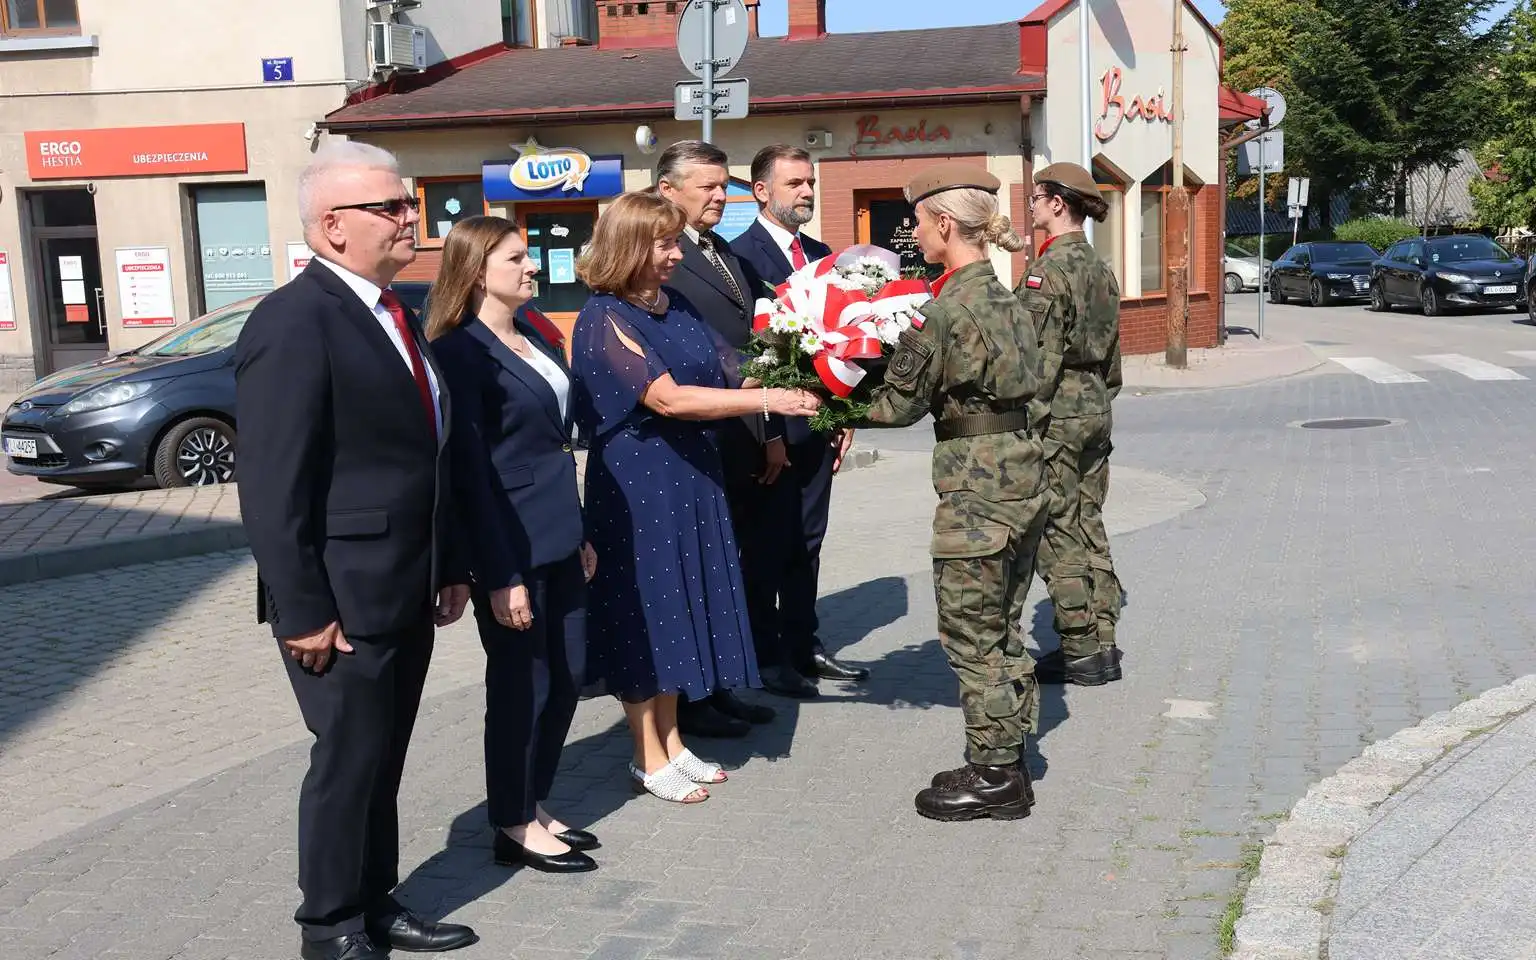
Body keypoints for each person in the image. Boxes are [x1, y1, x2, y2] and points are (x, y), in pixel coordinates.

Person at [234, 141, 477, 960]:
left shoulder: (392, 308)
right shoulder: (295, 319)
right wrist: (302, 609)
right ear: (333, 226)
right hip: (338, 599)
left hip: (404, 583)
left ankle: (377, 900)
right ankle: (330, 925)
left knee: (383, 756)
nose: (410, 217)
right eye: (392, 207)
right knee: (347, 762)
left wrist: (447, 565)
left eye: (408, 203)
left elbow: (422, 452)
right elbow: (273, 485)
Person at [569, 190, 821, 803]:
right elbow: (668, 399)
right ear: (629, 246)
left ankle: (674, 741)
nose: (676, 254)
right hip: (639, 486)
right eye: (664, 243)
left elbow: (728, 369)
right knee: (645, 614)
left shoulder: (672, 302)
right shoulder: (603, 317)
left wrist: (807, 355)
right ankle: (645, 754)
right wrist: (768, 402)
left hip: (692, 476)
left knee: (681, 610)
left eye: (676, 241)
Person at [852, 163, 1047, 822]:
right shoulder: (1010, 299)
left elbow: (896, 409)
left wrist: (822, 394)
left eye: (917, 220)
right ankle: (1009, 751)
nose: (912, 230)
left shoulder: (946, 309)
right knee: (1005, 626)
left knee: (972, 636)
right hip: (1022, 477)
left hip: (976, 493)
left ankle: (994, 777)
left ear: (943, 224)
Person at [426, 215, 601, 874]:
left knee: (569, 676)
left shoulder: (529, 334)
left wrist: (580, 530)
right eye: (516, 258)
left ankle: (535, 798)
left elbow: (555, 445)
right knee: (522, 687)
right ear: (475, 272)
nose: (532, 267)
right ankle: (513, 820)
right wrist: (500, 574)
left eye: (528, 257)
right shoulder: (458, 352)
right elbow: (472, 475)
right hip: (512, 546)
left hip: (560, 534)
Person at [653, 139, 783, 737]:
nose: (719, 195)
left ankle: (720, 685)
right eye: (706, 186)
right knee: (693, 576)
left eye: (722, 184)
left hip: (743, 430)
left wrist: (771, 430)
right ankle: (690, 700)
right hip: (693, 438)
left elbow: (757, 343)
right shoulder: (660, 259)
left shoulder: (724, 251)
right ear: (667, 191)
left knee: (726, 569)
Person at [732, 143, 870, 697]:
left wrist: (843, 415)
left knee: (809, 540)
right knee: (768, 543)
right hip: (770, 430)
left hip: (818, 424)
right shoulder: (741, 257)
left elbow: (842, 341)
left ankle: (804, 644)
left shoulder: (821, 254)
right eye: (794, 184)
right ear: (762, 191)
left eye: (809, 182)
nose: (807, 192)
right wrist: (767, 431)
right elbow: (748, 352)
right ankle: (766, 656)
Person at [1015, 162, 1124, 687]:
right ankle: (1103, 641)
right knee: (1089, 522)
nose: (1030, 206)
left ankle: (1080, 647)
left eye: (1037, 197)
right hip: (1095, 406)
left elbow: (1038, 361)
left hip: (1058, 410)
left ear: (1059, 203)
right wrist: (1099, 399)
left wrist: (1025, 424)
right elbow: (1115, 357)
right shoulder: (1101, 268)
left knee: (1057, 530)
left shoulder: (1047, 271)